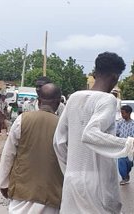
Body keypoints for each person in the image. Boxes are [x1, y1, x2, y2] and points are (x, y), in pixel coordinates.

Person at [53, 52, 134, 213]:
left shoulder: (74, 98)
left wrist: (70, 170)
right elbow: (90, 134)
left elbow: (58, 142)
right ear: (115, 77)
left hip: (72, 180)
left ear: (95, 73)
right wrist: (128, 143)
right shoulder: (108, 99)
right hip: (98, 183)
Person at [0, 83, 63, 214]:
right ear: (58, 103)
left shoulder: (22, 120)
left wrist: (3, 184)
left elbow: (8, 154)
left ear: (38, 101)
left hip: (21, 193)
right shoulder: (63, 126)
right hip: (51, 196)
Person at [117, 105, 134, 185]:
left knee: (129, 163)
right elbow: (117, 133)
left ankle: (127, 174)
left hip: (130, 146)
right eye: (121, 113)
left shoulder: (133, 124)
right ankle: (124, 177)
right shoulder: (120, 122)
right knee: (121, 161)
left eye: (123, 113)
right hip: (121, 146)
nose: (122, 115)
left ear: (129, 113)